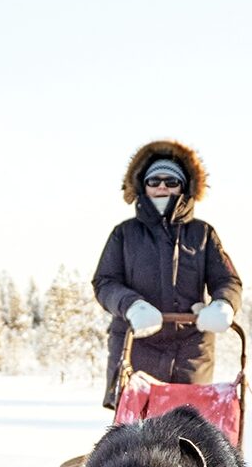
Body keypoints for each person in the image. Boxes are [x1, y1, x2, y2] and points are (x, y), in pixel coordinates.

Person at [93, 139, 242, 408]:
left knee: (188, 427)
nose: (162, 186)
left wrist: (223, 304)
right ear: (143, 186)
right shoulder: (124, 234)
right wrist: (132, 305)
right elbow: (105, 282)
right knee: (135, 431)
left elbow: (227, 279)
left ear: (184, 187)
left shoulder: (203, 234)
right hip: (134, 343)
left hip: (191, 347)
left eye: (171, 182)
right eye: (155, 181)